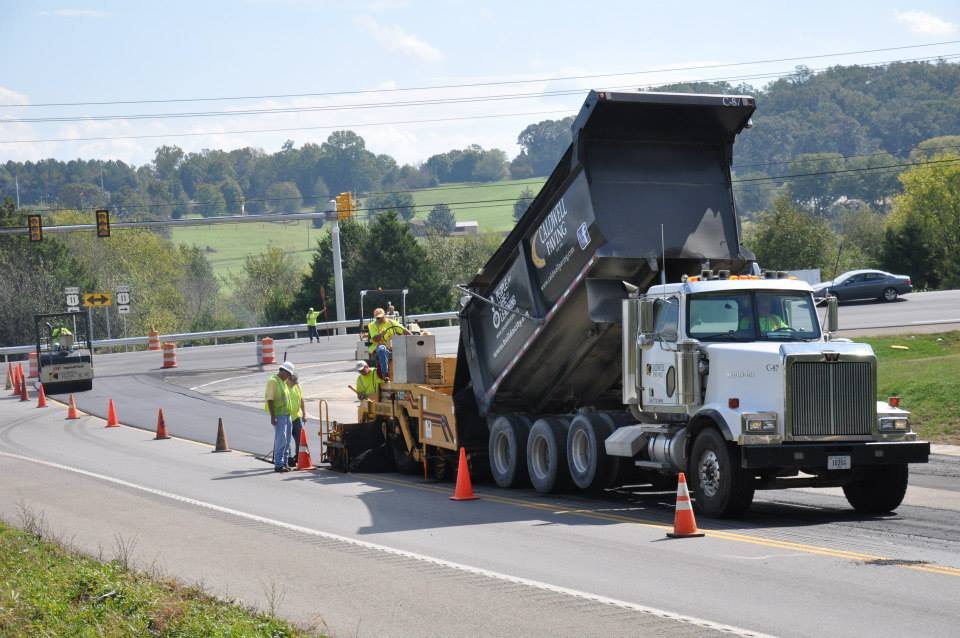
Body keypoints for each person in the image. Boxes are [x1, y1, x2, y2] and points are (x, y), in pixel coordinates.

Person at [265, 361, 295, 472]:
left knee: (287, 441)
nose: (288, 377)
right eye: (288, 374)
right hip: (279, 415)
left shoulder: (282, 381)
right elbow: (270, 399)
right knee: (281, 440)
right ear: (283, 371)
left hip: (287, 415)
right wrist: (273, 416)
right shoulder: (273, 381)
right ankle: (279, 465)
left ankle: (285, 463)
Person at [367, 307, 408, 380]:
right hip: (377, 347)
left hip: (391, 346)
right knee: (382, 349)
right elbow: (375, 339)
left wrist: (414, 338)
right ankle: (385, 374)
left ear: (384, 315)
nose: (379, 319)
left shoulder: (391, 322)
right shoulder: (372, 325)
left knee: (404, 346)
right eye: (377, 318)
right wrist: (381, 334)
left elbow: (403, 330)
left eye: (381, 317)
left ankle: (405, 373)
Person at [286, 372, 307, 467]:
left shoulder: (297, 387)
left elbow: (301, 400)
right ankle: (288, 458)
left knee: (300, 439)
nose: (295, 383)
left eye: (295, 382)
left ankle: (298, 456)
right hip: (286, 418)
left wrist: (304, 414)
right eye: (293, 382)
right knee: (287, 440)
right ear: (288, 380)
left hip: (296, 417)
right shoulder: (284, 388)